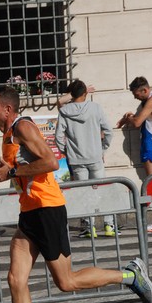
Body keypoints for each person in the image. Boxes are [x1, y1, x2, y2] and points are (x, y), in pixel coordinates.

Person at [0, 85, 152, 303]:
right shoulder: (9, 132)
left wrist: (12, 171)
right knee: (16, 279)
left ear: (7, 109)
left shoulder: (22, 127)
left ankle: (130, 276)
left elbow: (50, 162)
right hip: (29, 213)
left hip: (47, 211)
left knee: (66, 282)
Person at [55, 79, 116, 238]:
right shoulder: (95, 108)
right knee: (102, 190)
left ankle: (90, 227)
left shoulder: (64, 111)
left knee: (84, 193)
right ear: (85, 93)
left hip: (76, 159)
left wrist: (67, 152)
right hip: (95, 156)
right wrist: (102, 148)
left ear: (71, 94)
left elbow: (58, 137)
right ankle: (109, 225)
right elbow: (108, 131)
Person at [116, 76, 152, 177]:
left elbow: (137, 123)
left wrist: (129, 118)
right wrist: (134, 117)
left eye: (136, 94)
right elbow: (148, 119)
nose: (135, 97)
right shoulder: (150, 100)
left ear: (144, 90)